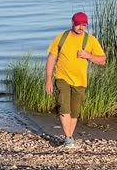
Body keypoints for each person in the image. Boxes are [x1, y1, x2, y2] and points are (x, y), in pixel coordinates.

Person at [44, 12, 107, 148]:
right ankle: (68, 137)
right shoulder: (61, 38)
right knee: (63, 106)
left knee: (75, 111)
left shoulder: (90, 40)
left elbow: (102, 60)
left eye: (84, 25)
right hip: (62, 78)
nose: (81, 27)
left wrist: (88, 55)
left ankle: (70, 137)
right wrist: (48, 79)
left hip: (80, 81)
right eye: (78, 24)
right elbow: (51, 58)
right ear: (73, 23)